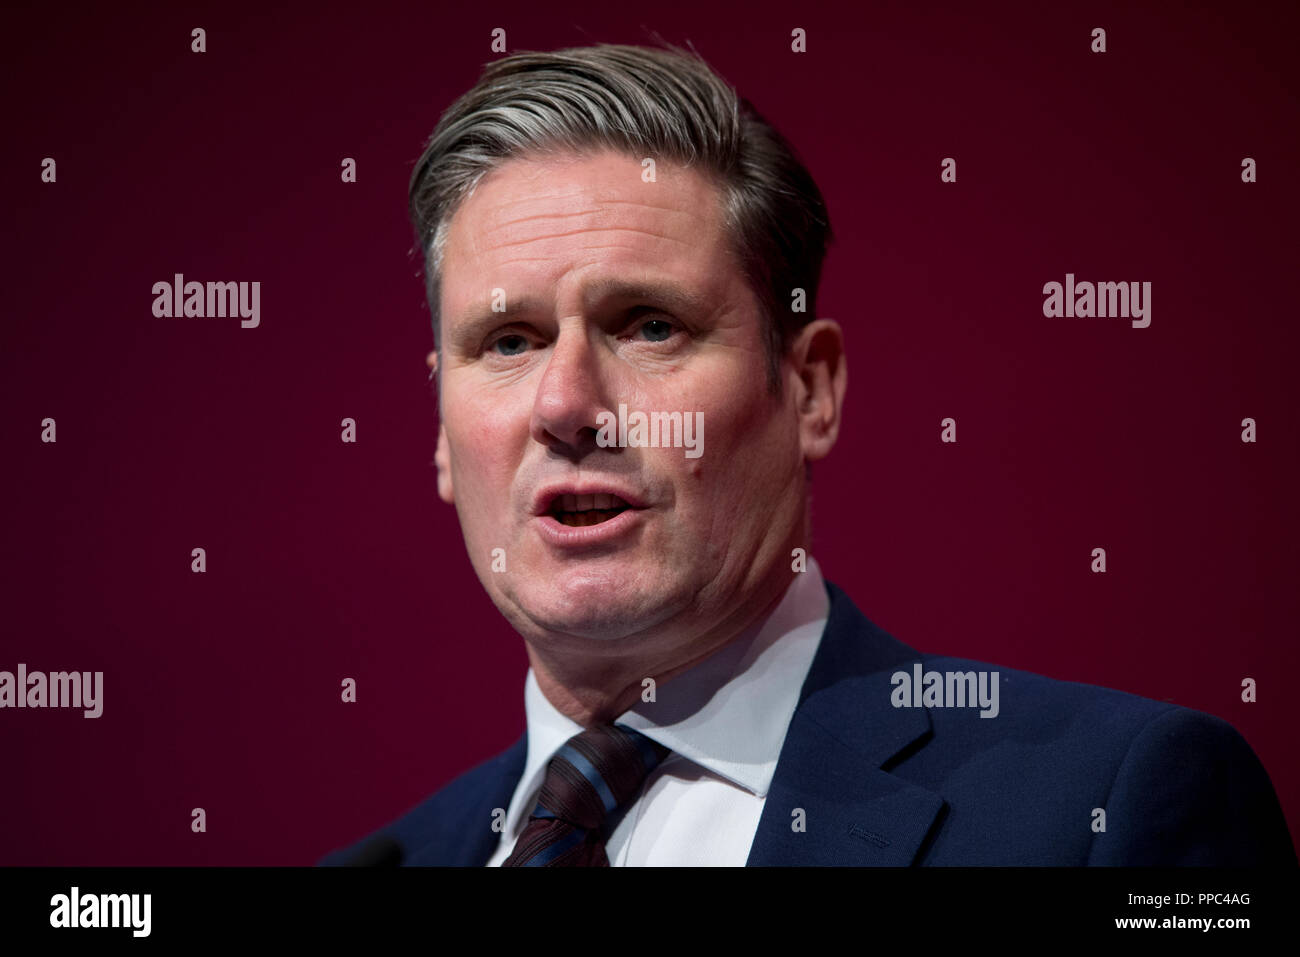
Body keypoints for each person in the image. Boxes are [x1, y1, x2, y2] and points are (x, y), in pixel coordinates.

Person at [321, 43, 1295, 866]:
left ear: (810, 389)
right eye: (508, 342)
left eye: (649, 325)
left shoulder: (1111, 810)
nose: (568, 404)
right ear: (444, 433)